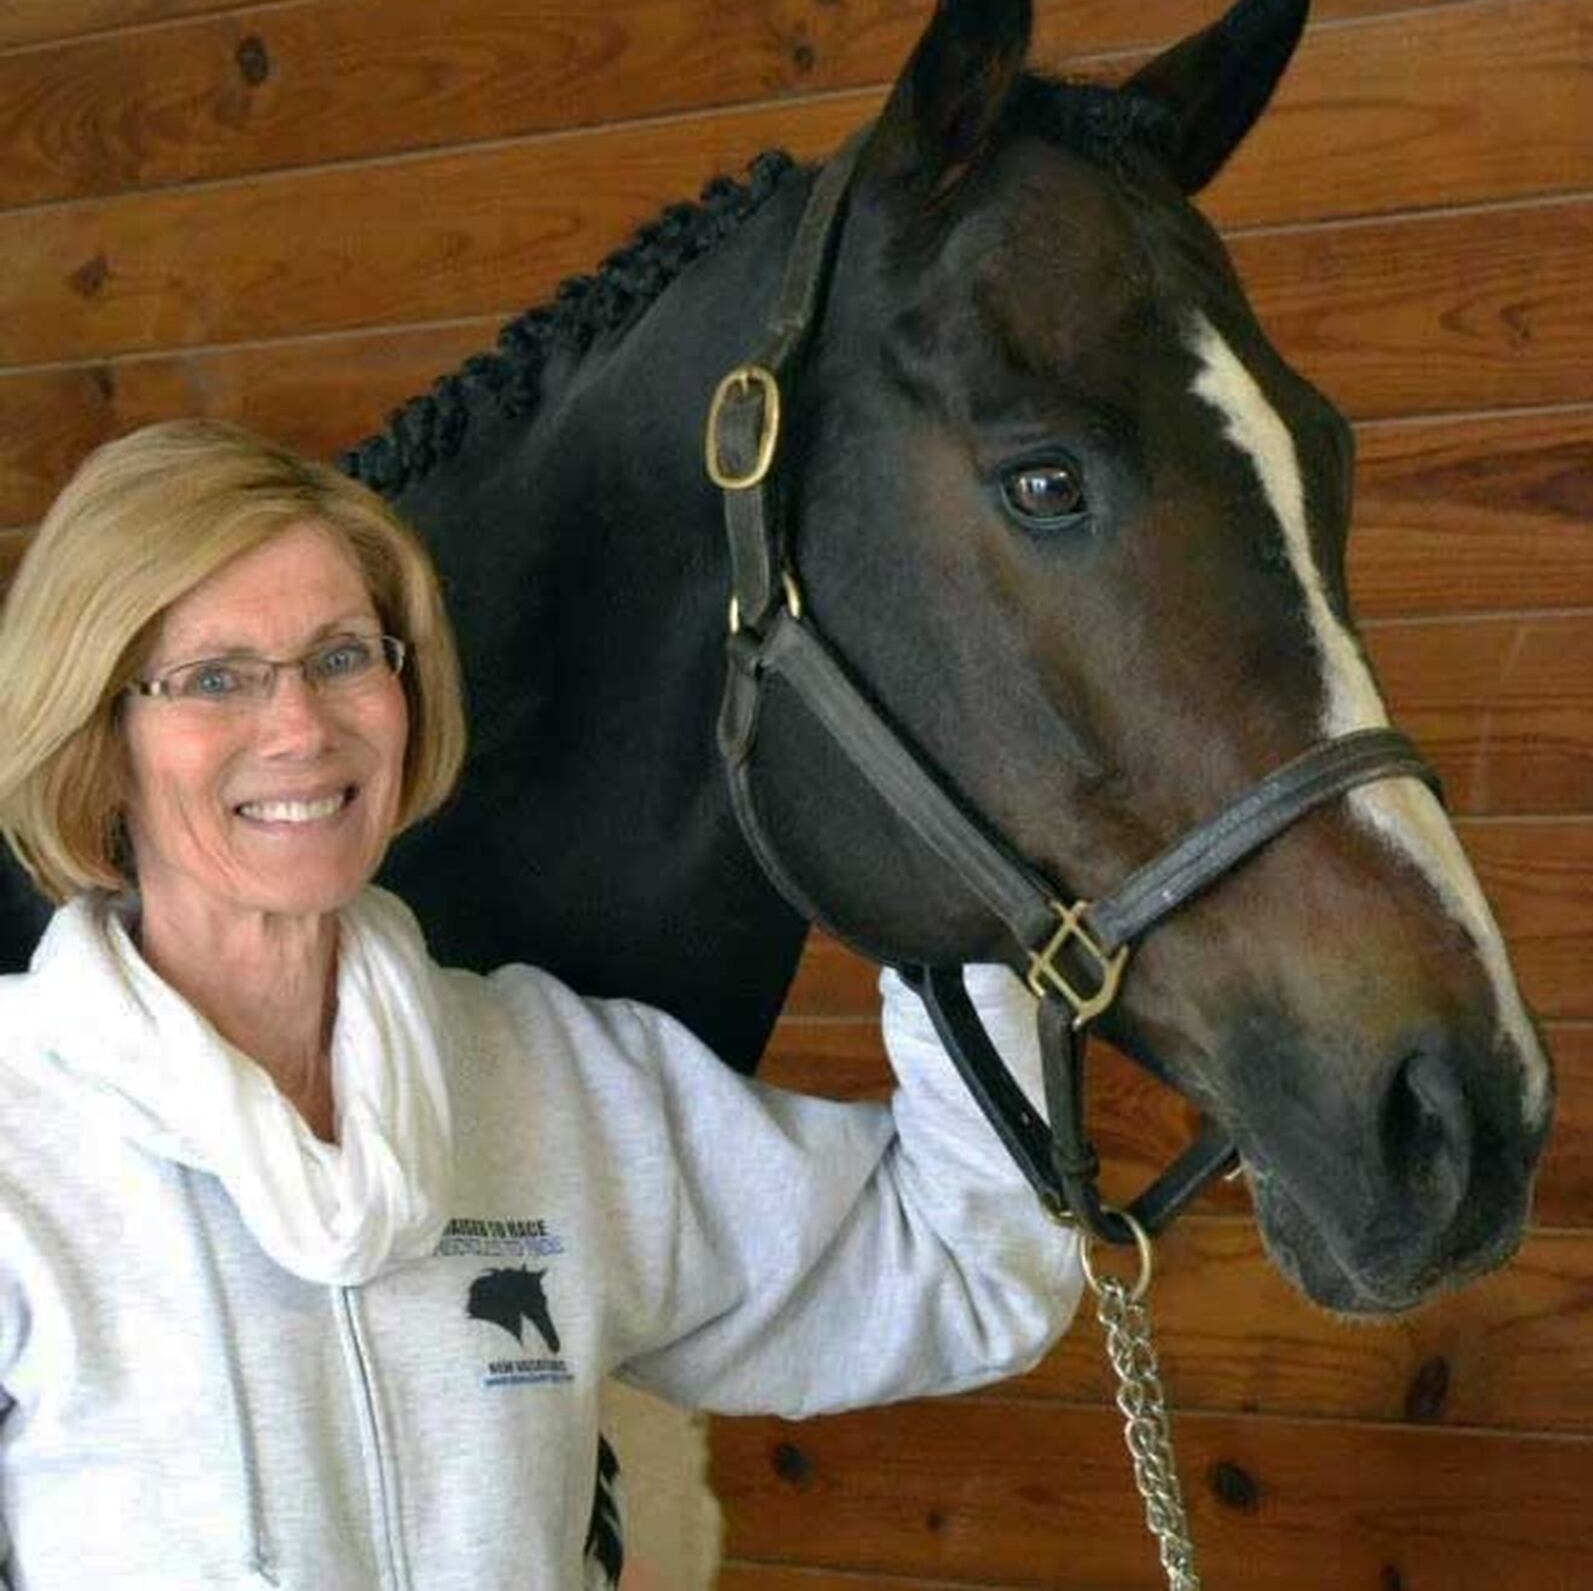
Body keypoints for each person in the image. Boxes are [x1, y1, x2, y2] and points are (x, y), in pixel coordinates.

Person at [0, 420, 1079, 1591]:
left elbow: (961, 1272)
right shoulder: (22, 1130)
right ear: (100, 737)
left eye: (345, 655)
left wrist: (949, 895)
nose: (302, 726)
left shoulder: (554, 1078)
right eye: (215, 678)